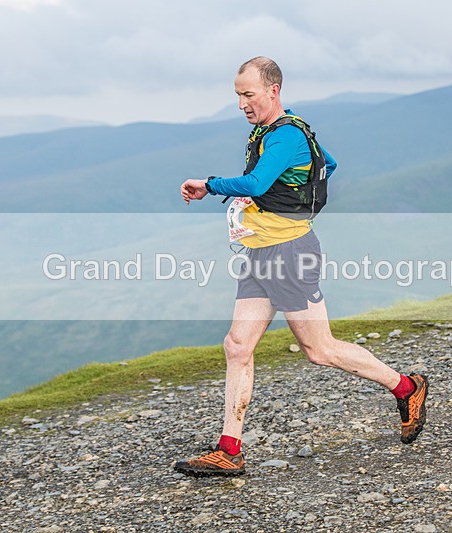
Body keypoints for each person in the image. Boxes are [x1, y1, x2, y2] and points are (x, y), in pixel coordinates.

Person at [175, 56, 427, 477]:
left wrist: (210, 185)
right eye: (238, 95)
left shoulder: (287, 135)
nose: (242, 104)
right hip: (260, 253)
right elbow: (327, 163)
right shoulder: (273, 131)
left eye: (248, 94)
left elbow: (257, 183)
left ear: (272, 90)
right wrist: (291, 191)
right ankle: (229, 450)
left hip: (290, 254)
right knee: (237, 345)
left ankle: (406, 387)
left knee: (319, 349)